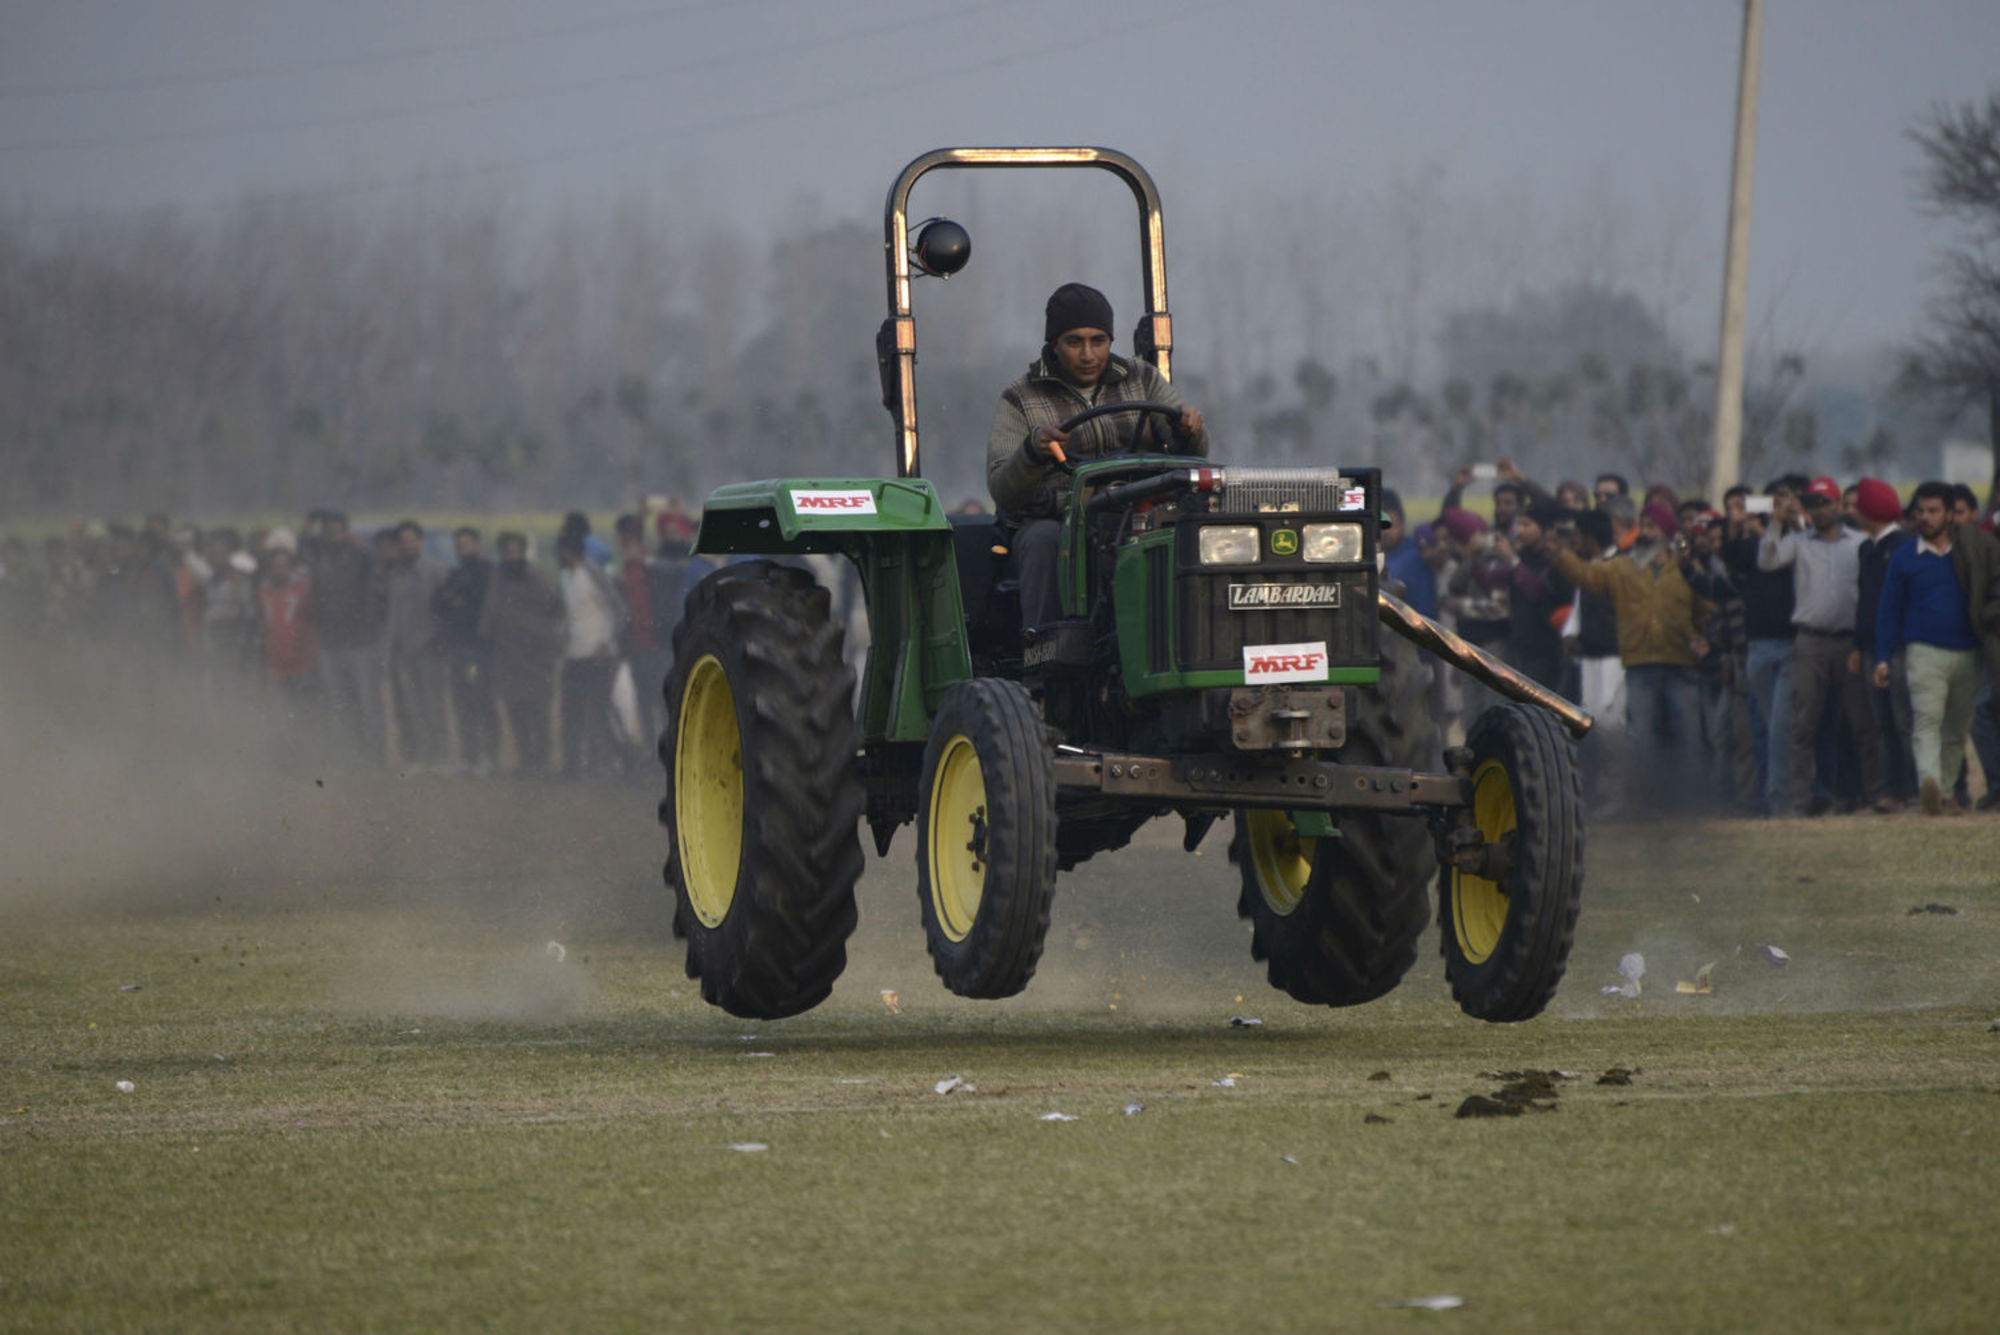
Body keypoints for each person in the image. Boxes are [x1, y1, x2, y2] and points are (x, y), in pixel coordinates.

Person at [986, 282, 1209, 631]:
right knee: (1043, 542)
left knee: (1196, 532)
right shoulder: (1021, 398)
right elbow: (1002, 487)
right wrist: (1032, 452)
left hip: (1137, 509)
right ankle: (1047, 653)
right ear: (1054, 345)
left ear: (1110, 341)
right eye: (1074, 342)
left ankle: (1196, 635)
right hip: (1061, 516)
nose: (1088, 354)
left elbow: (1190, 449)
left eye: (1098, 341)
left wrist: (1188, 429)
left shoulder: (1142, 378)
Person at [1553, 501, 1713, 809]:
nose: (1645, 532)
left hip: (1680, 663)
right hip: (1640, 665)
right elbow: (1588, 576)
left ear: (1666, 533)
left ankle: (1693, 802)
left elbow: (1706, 606)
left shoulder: (1686, 568)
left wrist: (1702, 634)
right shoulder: (1625, 567)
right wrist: (1561, 554)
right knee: (1642, 740)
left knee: (1688, 736)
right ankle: (1645, 802)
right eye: (1643, 525)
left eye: (1652, 527)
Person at [1758, 476, 1886, 815]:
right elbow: (1767, 561)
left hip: (1848, 642)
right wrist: (1775, 522)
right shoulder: (1799, 541)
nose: (1817, 511)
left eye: (1822, 503)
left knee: (1862, 722)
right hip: (1810, 641)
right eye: (1811, 505)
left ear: (1836, 505)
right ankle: (1798, 801)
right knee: (1803, 725)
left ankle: (1875, 795)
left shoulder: (1859, 543)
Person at [1873, 482, 2000, 814]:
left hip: (1968, 652)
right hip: (1923, 651)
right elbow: (1888, 610)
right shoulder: (1903, 559)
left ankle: (1943, 793)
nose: (1926, 518)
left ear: (1948, 514)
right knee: (1927, 720)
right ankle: (1929, 782)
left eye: (1933, 511)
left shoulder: (1971, 553)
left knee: (1956, 728)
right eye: (1921, 512)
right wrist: (1883, 657)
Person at [1723, 479, 1801, 815]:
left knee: (1781, 727)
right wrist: (1737, 524)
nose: (1778, 508)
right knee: (1770, 729)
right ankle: (1774, 796)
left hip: (1790, 642)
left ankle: (1779, 799)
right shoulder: (1757, 545)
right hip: (1758, 645)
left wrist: (1794, 519)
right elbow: (1733, 556)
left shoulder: (1801, 539)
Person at [1852, 479, 1916, 806]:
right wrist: (1857, 644)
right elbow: (1863, 599)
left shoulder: (1903, 545)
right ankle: (1893, 790)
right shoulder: (1868, 549)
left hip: (1897, 646)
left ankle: (1917, 789)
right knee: (1882, 723)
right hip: (1870, 646)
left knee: (1904, 719)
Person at [479, 533, 564, 776]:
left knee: (538, 710)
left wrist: (539, 631)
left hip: (536, 655)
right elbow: (489, 610)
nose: (510, 554)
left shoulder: (538, 576)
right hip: (507, 654)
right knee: (515, 710)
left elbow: (557, 607)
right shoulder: (498, 577)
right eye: (506, 550)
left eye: (515, 550)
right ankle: (526, 760)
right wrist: (487, 635)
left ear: (523, 551)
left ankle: (543, 761)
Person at [309, 511, 387, 762]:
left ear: (346, 531)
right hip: (330, 641)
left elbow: (372, 596)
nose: (333, 535)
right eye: (328, 531)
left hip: (360, 640)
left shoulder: (362, 557)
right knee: (339, 702)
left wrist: (365, 624)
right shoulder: (317, 557)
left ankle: (375, 756)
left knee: (368, 701)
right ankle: (350, 754)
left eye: (337, 530)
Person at [555, 534, 627, 778]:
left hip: (597, 654)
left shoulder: (592, 574)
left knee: (599, 712)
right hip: (573, 653)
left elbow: (618, 609)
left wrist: (607, 642)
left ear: (567, 551)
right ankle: (572, 765)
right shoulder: (569, 578)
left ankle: (610, 762)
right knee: (571, 711)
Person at [383, 520, 449, 772]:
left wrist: (439, 640)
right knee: (412, 707)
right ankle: (421, 756)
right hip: (403, 651)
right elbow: (392, 614)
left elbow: (444, 611)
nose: (408, 545)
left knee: (434, 705)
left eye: (412, 540)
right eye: (403, 541)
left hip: (430, 651)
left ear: (420, 542)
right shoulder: (394, 574)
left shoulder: (436, 571)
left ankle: (441, 756)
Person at [433, 527, 497, 776]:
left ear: (477, 545)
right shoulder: (455, 573)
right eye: (458, 544)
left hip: (479, 649)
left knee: (482, 701)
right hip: (459, 648)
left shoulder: (487, 572)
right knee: (462, 704)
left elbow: (481, 606)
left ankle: (488, 757)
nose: (462, 548)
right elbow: (439, 602)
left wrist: (457, 601)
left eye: (467, 543)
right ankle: (469, 757)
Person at [1505, 498, 1572, 689]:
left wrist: (1512, 561)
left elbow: (1539, 591)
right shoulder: (1523, 556)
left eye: (1527, 525)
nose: (1521, 531)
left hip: (1545, 646)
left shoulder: (1552, 560)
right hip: (1520, 643)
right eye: (1519, 524)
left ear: (1545, 529)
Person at [257, 543, 318, 709]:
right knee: (282, 717)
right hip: (277, 666)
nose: (279, 570)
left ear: (291, 567)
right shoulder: (264, 591)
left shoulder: (304, 589)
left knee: (306, 713)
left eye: (284, 566)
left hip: (303, 665)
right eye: (275, 566)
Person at [1380, 488, 1436, 618]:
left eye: (1391, 525)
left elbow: (1424, 605)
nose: (1385, 532)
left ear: (1403, 525)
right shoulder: (1374, 557)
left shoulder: (1415, 556)